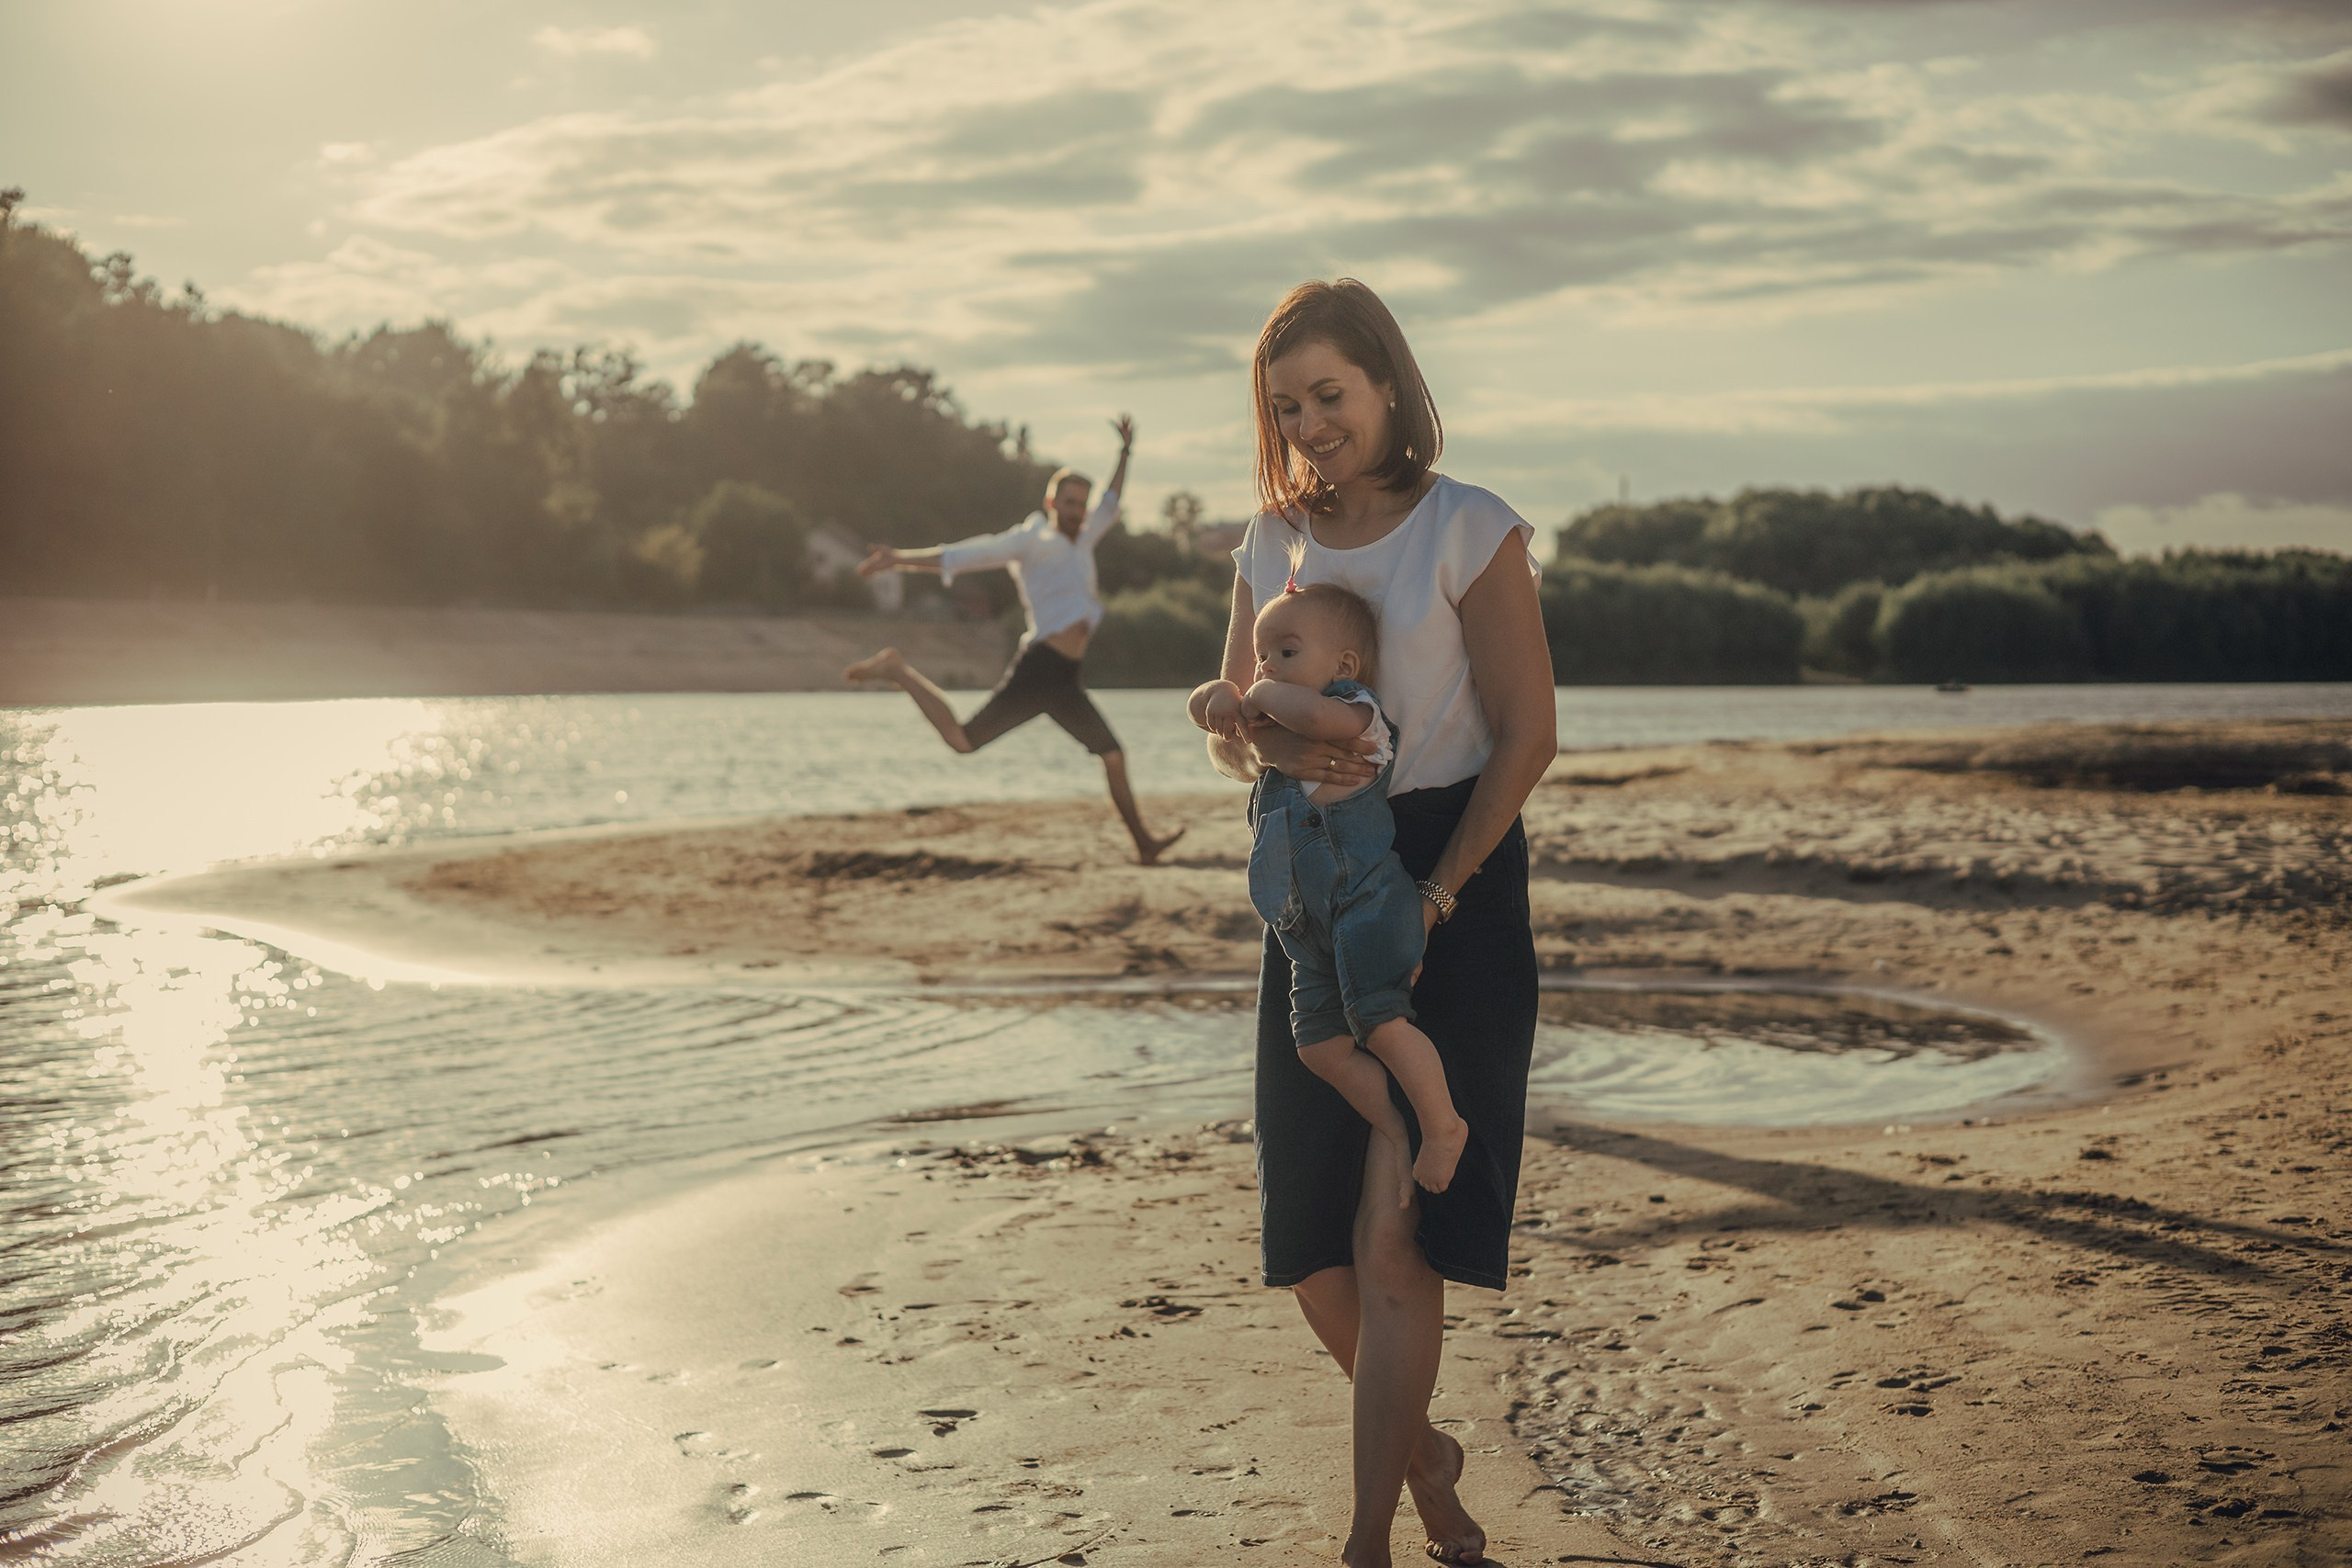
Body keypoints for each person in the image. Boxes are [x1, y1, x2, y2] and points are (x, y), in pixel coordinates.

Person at [1203, 279, 1555, 1568]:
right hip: (1310, 883)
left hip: (1452, 869)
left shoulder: (1470, 526)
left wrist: (1440, 890)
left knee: (1396, 1234)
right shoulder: (1270, 539)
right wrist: (1264, 747)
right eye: (1286, 406)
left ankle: (1370, 1540)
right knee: (1310, 1249)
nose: (1310, 425)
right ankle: (1427, 1464)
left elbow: (1529, 734)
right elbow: (1236, 725)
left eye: (1329, 395)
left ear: (1390, 387)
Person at [1189, 583, 1468, 1208]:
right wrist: (1216, 695)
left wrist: (1262, 696)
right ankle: (1394, 1124)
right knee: (1317, 1044)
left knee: (1383, 1023)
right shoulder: (1271, 722)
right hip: (1304, 927)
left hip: (1369, 909)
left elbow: (1317, 721)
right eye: (1261, 654)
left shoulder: (1356, 712)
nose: (1266, 666)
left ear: (1343, 665)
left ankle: (1442, 1123)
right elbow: (1208, 713)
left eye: (1285, 652)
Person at [843, 414, 1186, 865]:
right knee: (963, 742)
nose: (1076, 510)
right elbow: (965, 555)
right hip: (1039, 669)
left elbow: (1111, 500)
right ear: (1051, 502)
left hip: (1065, 678)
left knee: (1112, 754)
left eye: (1080, 504)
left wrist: (1125, 451)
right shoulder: (1030, 540)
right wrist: (898, 560)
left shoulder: (1084, 538)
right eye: (1068, 502)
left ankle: (1143, 843)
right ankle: (898, 670)